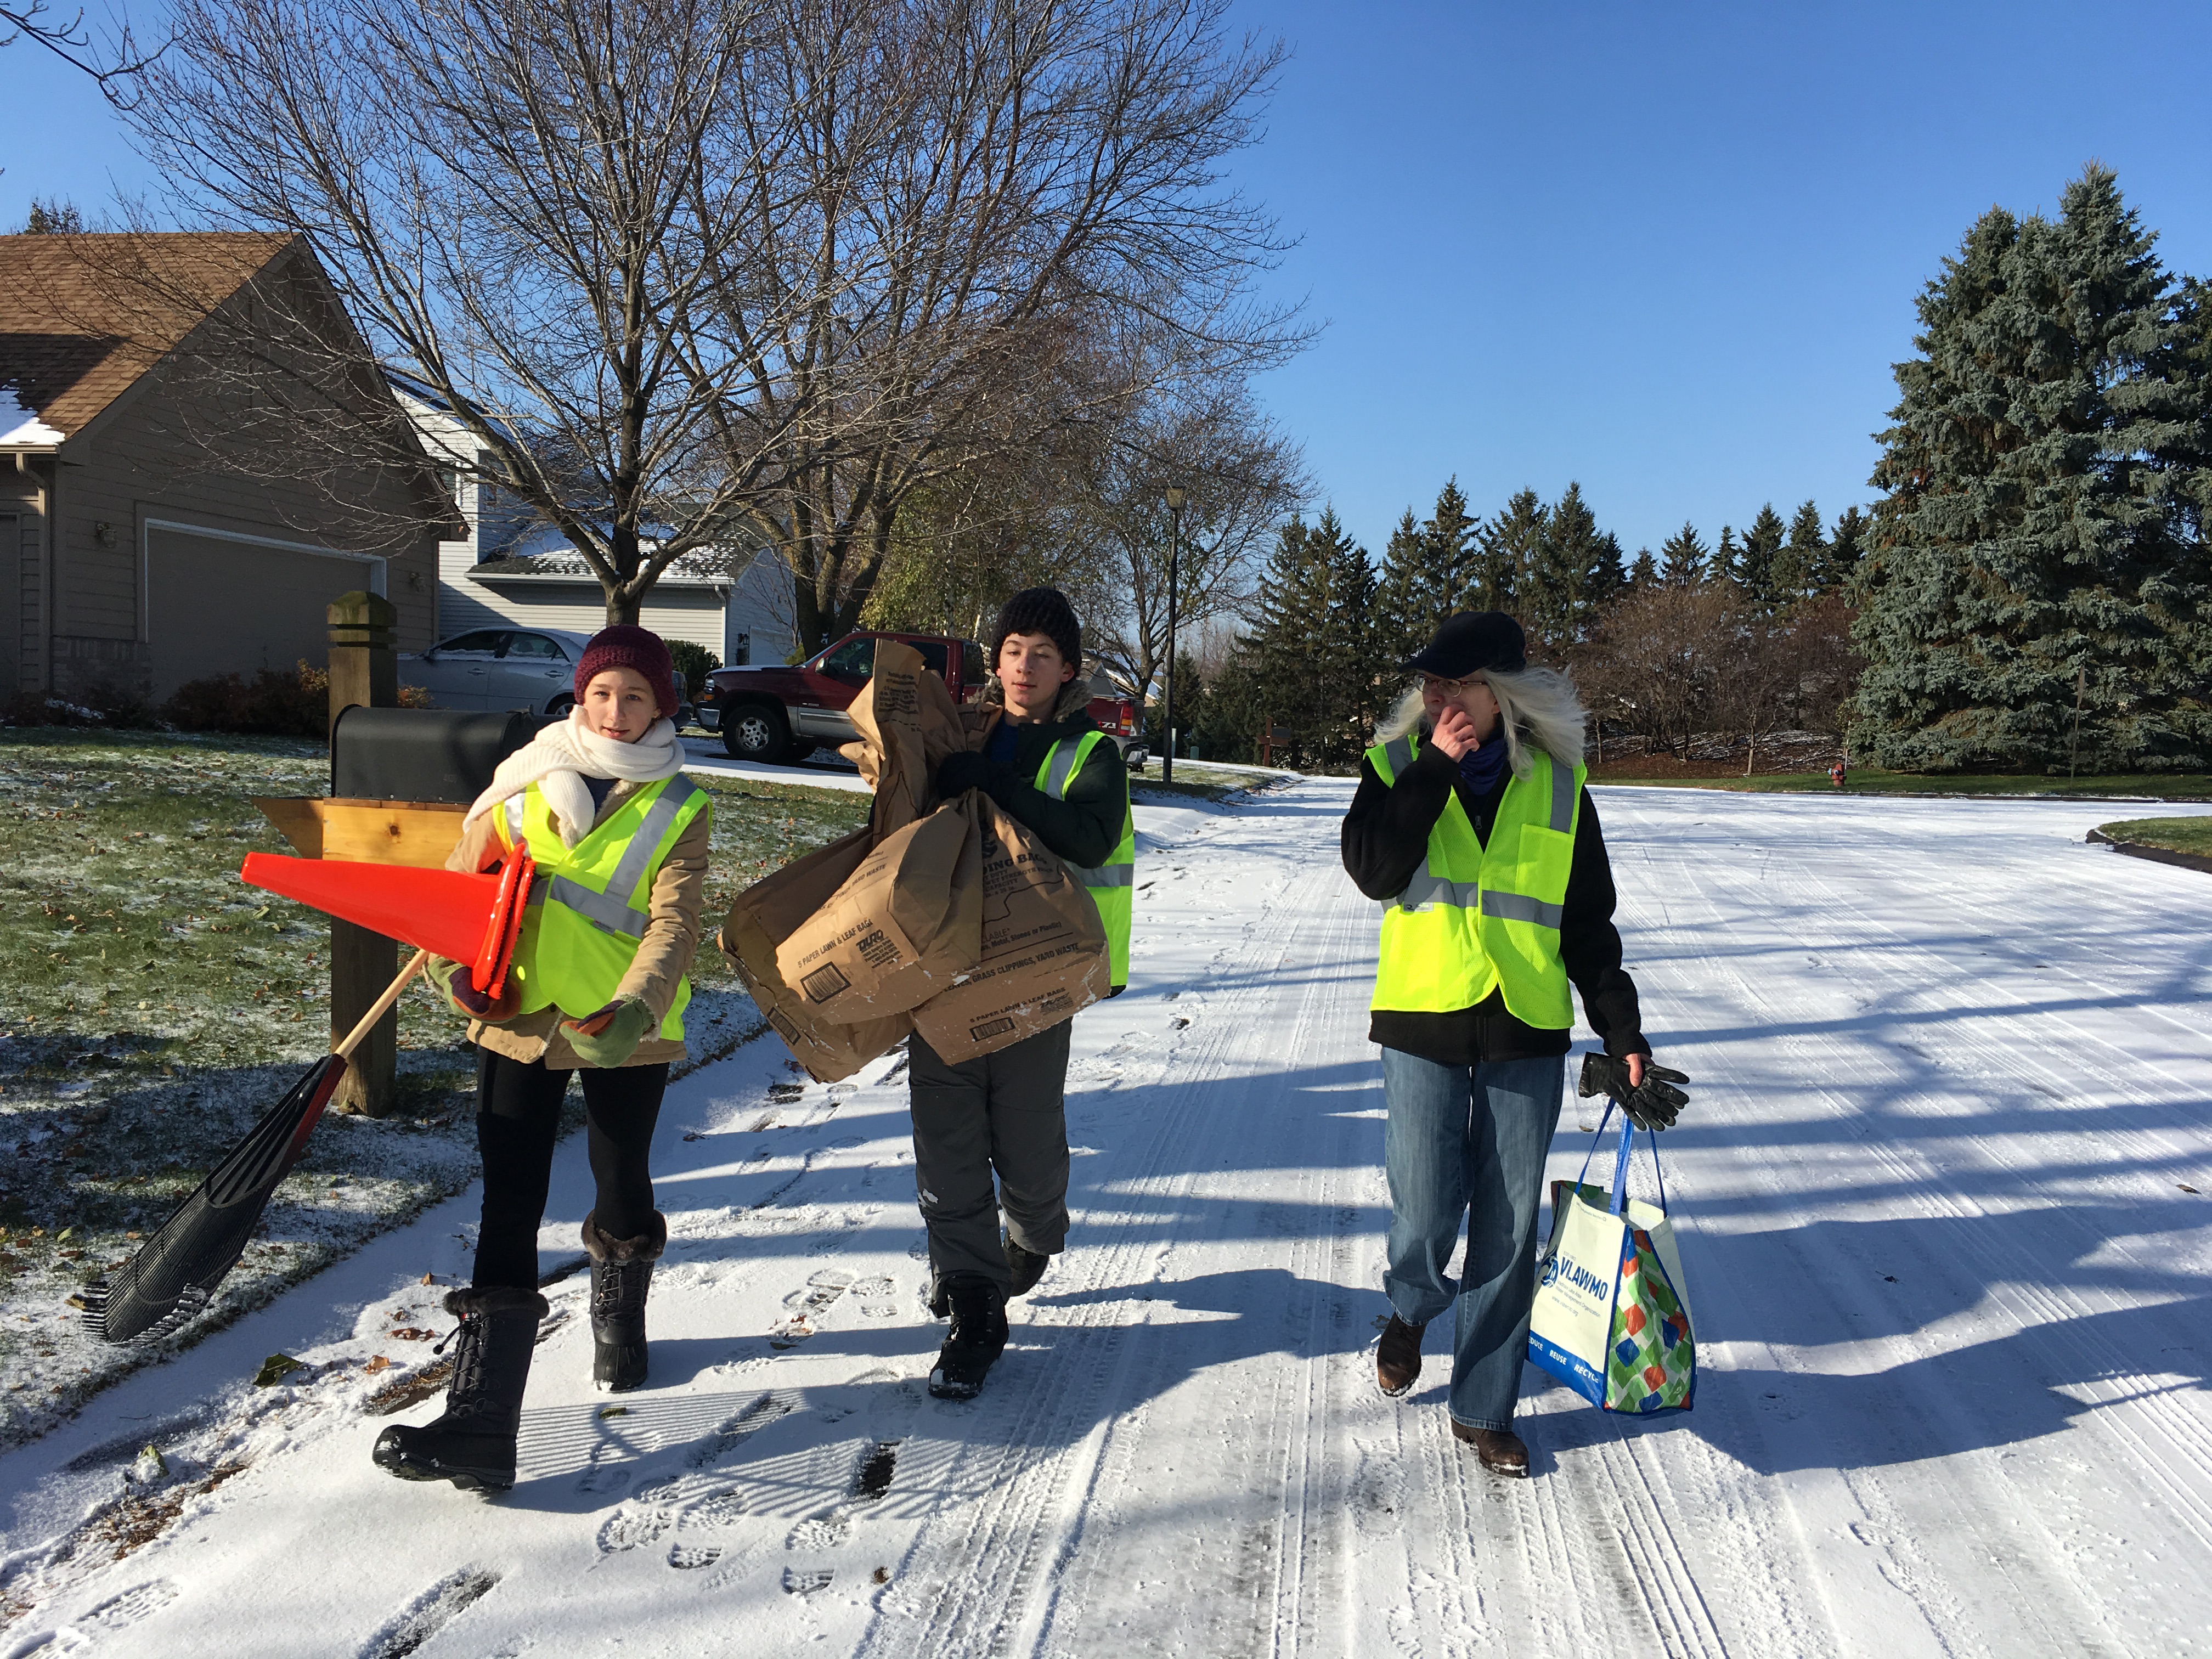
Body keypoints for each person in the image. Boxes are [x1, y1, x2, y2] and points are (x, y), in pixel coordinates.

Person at [1341, 611, 1686, 1478]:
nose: (1439, 697)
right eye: (1432, 684)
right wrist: (1434, 767)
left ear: (1503, 696)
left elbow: (1587, 925)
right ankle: (1412, 1309)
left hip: (1524, 1027)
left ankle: (1483, 1405)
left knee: (1505, 1225)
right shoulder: (1395, 766)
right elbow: (1374, 870)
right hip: (1422, 1020)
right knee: (1424, 1206)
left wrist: (1623, 1030)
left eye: (1458, 685)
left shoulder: (1563, 789)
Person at [374, 624, 712, 1492]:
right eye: (603, 693)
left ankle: (620, 1308)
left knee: (619, 1174)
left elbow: (673, 925)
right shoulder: (523, 781)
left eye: (636, 696)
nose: (617, 709)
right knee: (509, 1199)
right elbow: (462, 892)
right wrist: (459, 974)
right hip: (519, 1015)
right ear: (580, 696)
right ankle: (482, 1421)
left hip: (622, 1023)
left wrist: (634, 1007)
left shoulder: (679, 805)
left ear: (660, 707)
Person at [918, 586, 1133, 1400]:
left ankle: (1034, 1233)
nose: (1023, 666)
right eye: (1012, 649)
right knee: (945, 1141)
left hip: (1037, 981)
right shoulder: (957, 733)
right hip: (944, 969)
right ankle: (975, 1305)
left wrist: (996, 785)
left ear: (1068, 669)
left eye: (1042, 653)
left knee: (1027, 1145)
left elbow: (1088, 835)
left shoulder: (1089, 754)